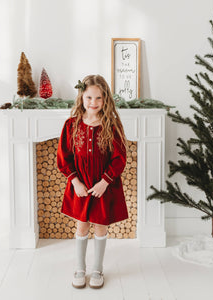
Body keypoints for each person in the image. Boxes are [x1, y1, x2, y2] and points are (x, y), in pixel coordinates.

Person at [57, 74, 129, 289]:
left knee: (100, 226)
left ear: (105, 99)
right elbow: (64, 158)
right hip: (81, 186)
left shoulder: (111, 125)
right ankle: (80, 268)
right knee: (82, 226)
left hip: (103, 186)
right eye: (89, 98)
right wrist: (75, 182)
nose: (93, 103)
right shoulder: (71, 125)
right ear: (81, 98)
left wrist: (105, 182)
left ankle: (97, 268)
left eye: (98, 98)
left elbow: (119, 158)